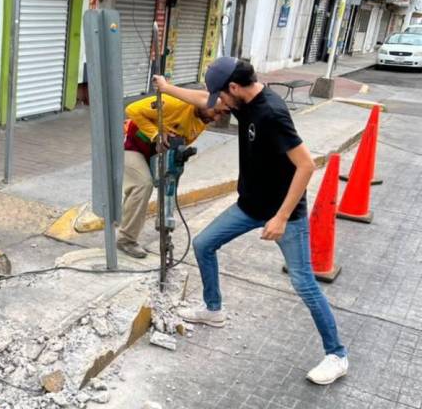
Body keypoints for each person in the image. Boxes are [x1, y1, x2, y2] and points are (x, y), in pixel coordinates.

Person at [153, 57, 348, 385]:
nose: (220, 106)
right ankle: (213, 309)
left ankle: (337, 355)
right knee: (203, 244)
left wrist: (282, 218)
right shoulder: (245, 100)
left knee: (304, 283)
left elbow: (306, 165)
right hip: (249, 207)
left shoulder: (271, 113)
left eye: (222, 97)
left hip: (283, 214)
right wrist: (167, 88)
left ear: (233, 87)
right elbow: (204, 99)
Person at [117, 94, 229, 258]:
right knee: (143, 185)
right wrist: (157, 133)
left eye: (222, 115)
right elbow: (131, 109)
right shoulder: (174, 103)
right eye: (217, 112)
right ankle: (126, 240)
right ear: (205, 101)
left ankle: (126, 225)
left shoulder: (199, 124)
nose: (216, 118)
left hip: (151, 153)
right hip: (129, 142)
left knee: (151, 188)